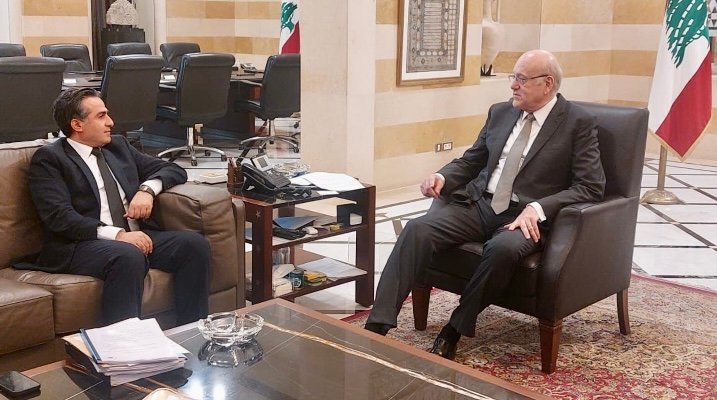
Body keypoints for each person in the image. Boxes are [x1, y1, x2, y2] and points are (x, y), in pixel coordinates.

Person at [364, 50, 606, 360]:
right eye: (513, 77)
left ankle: (454, 328)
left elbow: (590, 186)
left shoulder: (578, 122)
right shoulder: (500, 112)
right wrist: (442, 176)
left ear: (547, 83)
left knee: (502, 249)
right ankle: (377, 325)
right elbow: (472, 160)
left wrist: (538, 208)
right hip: (480, 204)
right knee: (416, 229)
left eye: (521, 79)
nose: (513, 85)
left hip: (525, 217)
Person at [26, 88, 210, 326]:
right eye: (101, 116)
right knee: (128, 255)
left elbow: (173, 170)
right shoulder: (50, 159)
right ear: (77, 125)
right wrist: (119, 235)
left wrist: (147, 191)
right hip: (82, 244)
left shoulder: (118, 146)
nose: (111, 122)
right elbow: (59, 217)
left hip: (134, 234)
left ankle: (192, 331)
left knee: (193, 244)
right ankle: (124, 344)